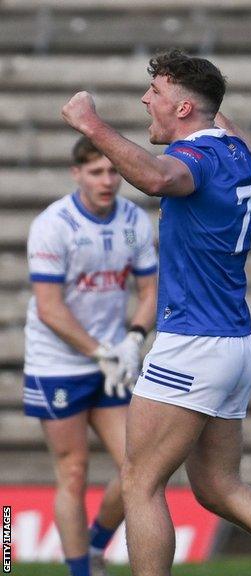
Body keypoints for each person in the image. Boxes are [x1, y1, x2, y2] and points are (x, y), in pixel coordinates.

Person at [59, 49, 251, 576]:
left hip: (193, 344)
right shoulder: (238, 151)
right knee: (218, 487)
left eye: (154, 93)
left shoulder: (195, 164)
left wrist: (92, 123)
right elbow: (213, 115)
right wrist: (196, 88)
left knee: (140, 481)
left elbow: (158, 179)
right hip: (234, 347)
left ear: (183, 109)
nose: (144, 100)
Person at [24, 136, 158, 576]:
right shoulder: (53, 224)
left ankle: (98, 543)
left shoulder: (135, 221)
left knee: (137, 467)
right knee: (74, 472)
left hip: (112, 362)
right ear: (76, 173)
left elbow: (151, 291)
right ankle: (80, 571)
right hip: (57, 364)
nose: (106, 180)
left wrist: (133, 340)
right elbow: (49, 309)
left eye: (113, 171)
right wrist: (100, 351)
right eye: (96, 171)